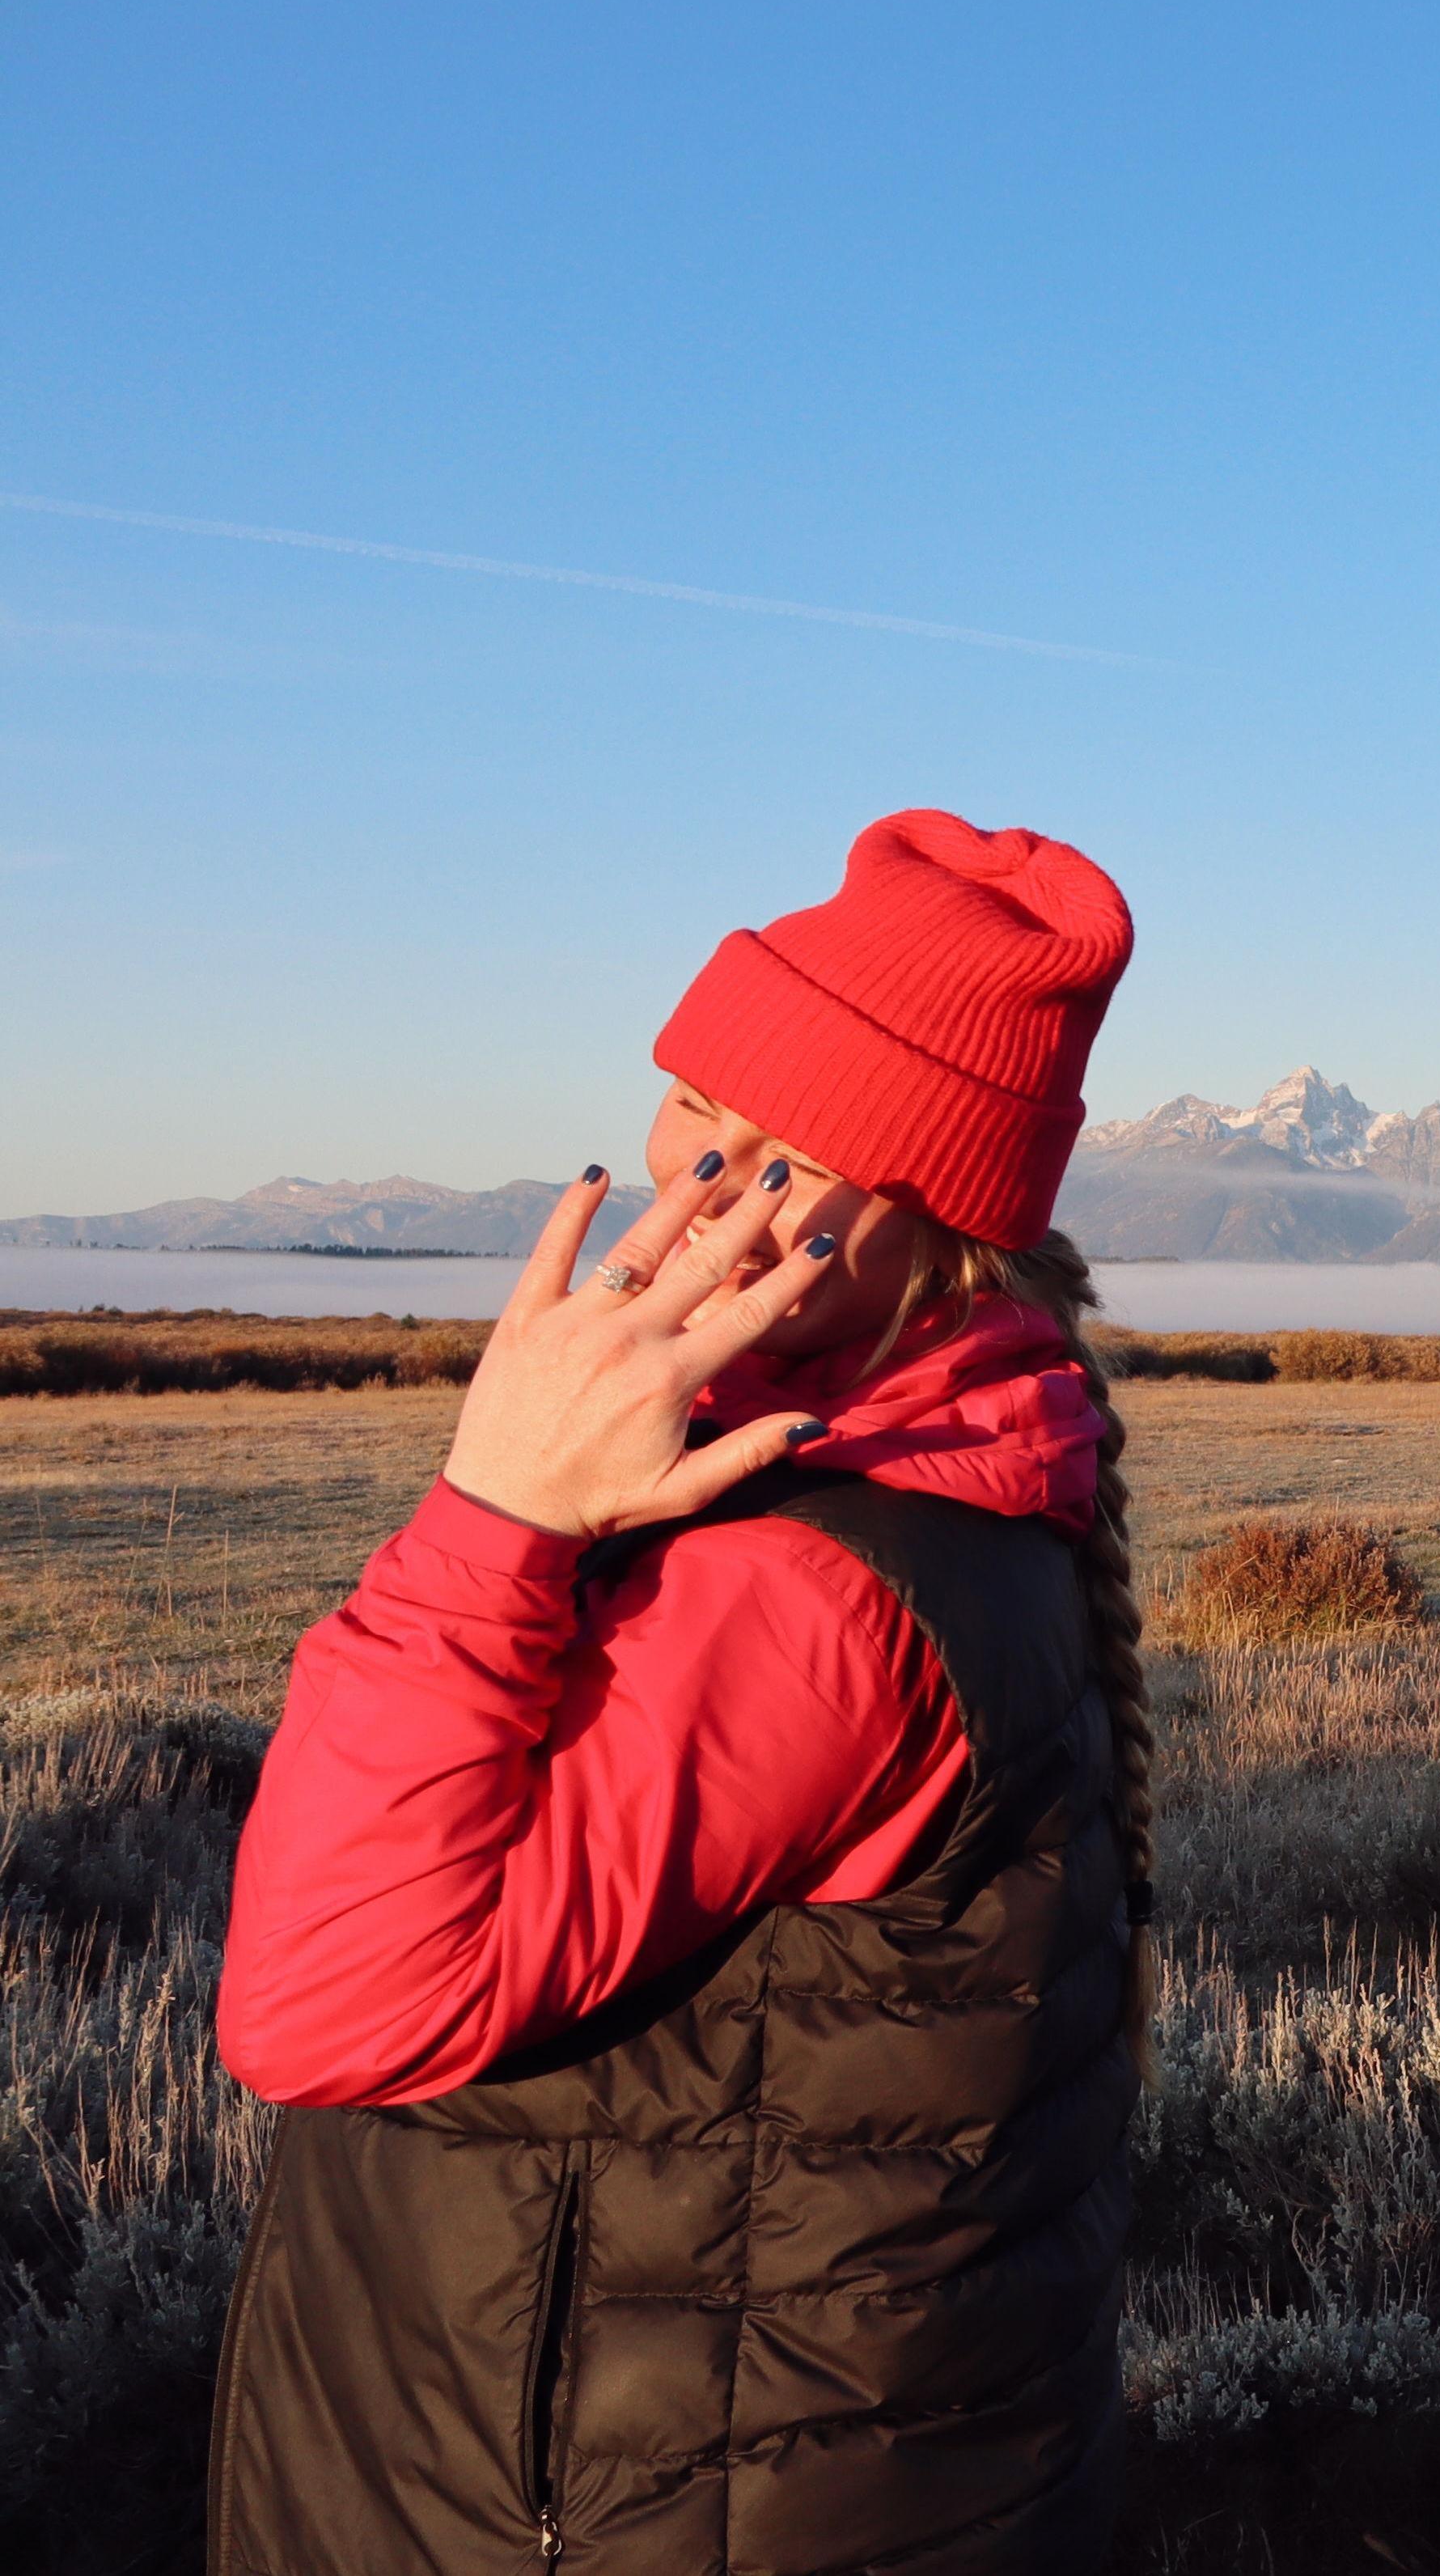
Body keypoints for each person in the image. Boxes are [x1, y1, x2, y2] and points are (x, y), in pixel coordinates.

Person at [206, 811, 1149, 2576]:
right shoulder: (939, 1454)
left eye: (788, 1155)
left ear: (940, 1216)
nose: (703, 1187)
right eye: (701, 1111)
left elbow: (318, 2005)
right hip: (750, 2463)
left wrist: (494, 1508)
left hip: (620, 2506)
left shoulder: (798, 1581)